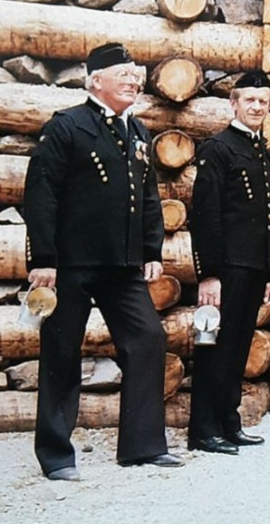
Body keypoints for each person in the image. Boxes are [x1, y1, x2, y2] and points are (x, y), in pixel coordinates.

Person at [23, 42, 183, 480]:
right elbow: (41, 194)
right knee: (60, 351)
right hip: (70, 265)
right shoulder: (66, 127)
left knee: (148, 338)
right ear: (95, 81)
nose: (134, 81)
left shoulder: (138, 133)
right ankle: (56, 456)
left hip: (121, 266)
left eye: (137, 75)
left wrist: (151, 251)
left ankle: (143, 447)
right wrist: (44, 259)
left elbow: (149, 198)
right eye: (124, 75)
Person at [187, 69, 270, 455]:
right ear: (234, 103)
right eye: (250, 100)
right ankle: (203, 430)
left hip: (254, 268)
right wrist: (209, 275)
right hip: (226, 269)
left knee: (238, 347)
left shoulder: (261, 153)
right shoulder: (218, 149)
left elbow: (268, 219)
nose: (257, 107)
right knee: (216, 348)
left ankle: (229, 422)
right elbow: (205, 216)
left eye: (263, 101)